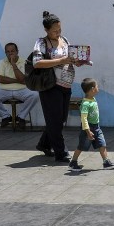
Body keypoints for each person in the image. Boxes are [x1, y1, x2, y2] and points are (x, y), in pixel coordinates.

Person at [34, 11, 83, 162]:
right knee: (54, 119)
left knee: (60, 118)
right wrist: (61, 60)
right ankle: (61, 152)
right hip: (50, 85)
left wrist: (77, 61)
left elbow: (69, 59)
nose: (58, 33)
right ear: (46, 30)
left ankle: (43, 143)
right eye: (54, 31)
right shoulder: (41, 43)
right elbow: (37, 63)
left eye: (59, 29)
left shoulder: (65, 40)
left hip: (66, 85)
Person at [0, 42, 39, 130]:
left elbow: (23, 80)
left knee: (35, 95)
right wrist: (18, 80)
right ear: (5, 53)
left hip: (21, 90)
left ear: (17, 52)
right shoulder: (1, 62)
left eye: (12, 51)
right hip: (4, 90)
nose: (10, 53)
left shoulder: (24, 62)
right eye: (8, 52)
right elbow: (0, 79)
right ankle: (5, 116)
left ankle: (21, 117)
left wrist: (13, 64)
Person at [68, 78, 114, 172]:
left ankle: (106, 162)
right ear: (92, 89)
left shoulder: (93, 99)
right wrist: (88, 131)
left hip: (96, 127)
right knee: (81, 146)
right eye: (97, 86)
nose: (98, 88)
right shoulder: (86, 103)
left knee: (102, 144)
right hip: (88, 129)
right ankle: (73, 162)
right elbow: (84, 119)